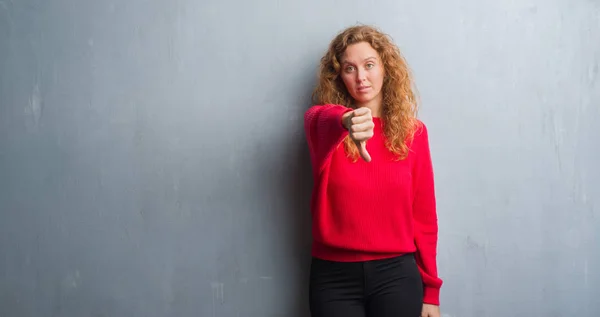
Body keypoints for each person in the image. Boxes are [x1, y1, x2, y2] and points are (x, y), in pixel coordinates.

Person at [303, 25, 443, 317]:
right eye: (349, 68)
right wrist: (346, 120)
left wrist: (431, 291)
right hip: (333, 277)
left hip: (397, 276)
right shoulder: (326, 129)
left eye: (369, 65)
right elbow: (317, 117)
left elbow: (424, 218)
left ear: (385, 68)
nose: (361, 77)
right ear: (339, 77)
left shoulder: (413, 134)